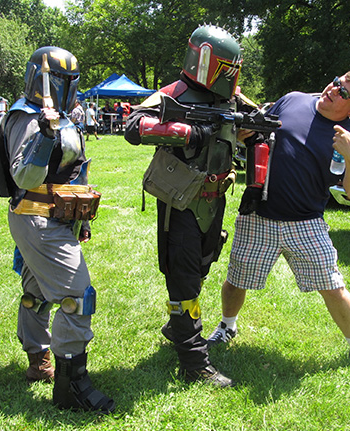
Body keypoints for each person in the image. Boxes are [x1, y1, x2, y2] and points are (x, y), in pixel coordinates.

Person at [207, 71, 350, 382]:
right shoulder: (293, 100)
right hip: (260, 214)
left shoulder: (349, 137)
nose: (334, 90)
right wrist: (246, 132)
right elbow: (258, 131)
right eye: (337, 83)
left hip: (306, 223)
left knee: (334, 288)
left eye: (344, 93)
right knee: (236, 280)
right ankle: (227, 327)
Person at [124, 24, 250, 387]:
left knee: (201, 267)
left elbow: (257, 125)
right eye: (226, 68)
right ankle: (193, 360)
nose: (231, 77)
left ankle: (178, 327)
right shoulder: (173, 93)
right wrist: (185, 132)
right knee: (183, 279)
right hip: (181, 200)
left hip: (216, 198)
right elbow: (134, 126)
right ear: (207, 62)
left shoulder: (232, 98)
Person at [3, 46, 115, 413]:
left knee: (35, 292)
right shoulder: (26, 116)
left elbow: (73, 173)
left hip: (55, 218)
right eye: (58, 80)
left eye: (70, 82)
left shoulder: (60, 115)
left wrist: (78, 220)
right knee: (77, 297)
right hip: (37, 217)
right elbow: (24, 175)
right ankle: (72, 385)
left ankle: (38, 360)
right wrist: (45, 134)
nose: (65, 88)